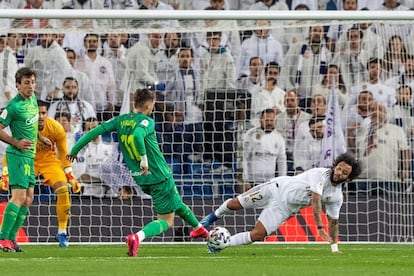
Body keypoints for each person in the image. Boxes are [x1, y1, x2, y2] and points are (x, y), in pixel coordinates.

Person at [67, 88, 209, 257]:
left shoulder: (120, 120)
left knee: (177, 204)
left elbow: (94, 132)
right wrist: (144, 159)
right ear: (149, 105)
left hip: (141, 179)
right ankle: (137, 237)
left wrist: (75, 150)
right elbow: (136, 136)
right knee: (166, 220)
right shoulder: (147, 121)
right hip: (159, 175)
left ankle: (201, 231)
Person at [200, 152, 362, 253]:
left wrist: (334, 248)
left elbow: (333, 222)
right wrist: (319, 227)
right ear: (335, 165)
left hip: (284, 209)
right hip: (275, 188)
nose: (339, 173)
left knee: (257, 235)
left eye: (344, 172)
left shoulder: (336, 197)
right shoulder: (321, 174)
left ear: (348, 178)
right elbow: (315, 200)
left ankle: (221, 245)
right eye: (339, 168)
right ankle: (211, 217)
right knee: (236, 204)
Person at [0, 67, 38, 252]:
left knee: (29, 199)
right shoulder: (12, 107)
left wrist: (42, 137)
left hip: (30, 157)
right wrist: (15, 142)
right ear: (17, 86)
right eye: (26, 83)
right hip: (17, 156)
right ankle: (2, 238)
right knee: (19, 197)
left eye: (32, 82)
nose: (31, 86)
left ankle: (12, 239)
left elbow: (31, 124)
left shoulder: (33, 100)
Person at [242, 108, 287, 190]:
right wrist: (245, 180)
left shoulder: (279, 138)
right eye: (266, 120)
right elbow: (244, 158)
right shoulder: (251, 134)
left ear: (275, 121)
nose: (269, 123)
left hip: (270, 181)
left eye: (271, 120)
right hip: (253, 181)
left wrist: (282, 181)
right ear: (260, 120)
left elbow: (282, 161)